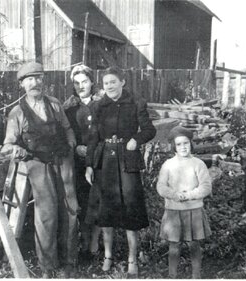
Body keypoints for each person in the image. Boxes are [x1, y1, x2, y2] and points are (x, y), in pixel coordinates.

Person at [2, 62, 79, 278]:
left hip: (63, 162)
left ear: (43, 81)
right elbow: (7, 144)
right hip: (37, 165)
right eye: (29, 79)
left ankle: (69, 262)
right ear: (22, 84)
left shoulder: (54, 104)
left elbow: (67, 128)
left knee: (71, 210)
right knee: (46, 215)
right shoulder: (17, 113)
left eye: (38, 78)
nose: (34, 83)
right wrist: (16, 149)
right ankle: (48, 267)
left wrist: (71, 143)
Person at [85, 66, 156, 277]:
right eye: (106, 83)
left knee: (130, 209)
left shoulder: (136, 103)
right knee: (105, 211)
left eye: (113, 82)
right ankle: (108, 256)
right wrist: (89, 164)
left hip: (128, 161)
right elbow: (93, 138)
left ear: (122, 82)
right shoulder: (98, 107)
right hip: (104, 161)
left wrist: (137, 139)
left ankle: (132, 258)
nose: (109, 86)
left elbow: (149, 130)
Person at [156, 126, 212, 279]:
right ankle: (172, 275)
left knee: (194, 244)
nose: (183, 147)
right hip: (174, 210)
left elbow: (206, 187)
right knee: (174, 245)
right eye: (179, 144)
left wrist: (190, 195)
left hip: (193, 210)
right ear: (174, 146)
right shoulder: (168, 164)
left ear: (191, 144)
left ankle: (196, 275)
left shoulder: (198, 164)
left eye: (186, 143)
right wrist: (174, 195)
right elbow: (161, 186)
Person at [63, 65, 101, 259]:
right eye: (76, 83)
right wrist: (75, 147)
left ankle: (95, 243)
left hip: (99, 159)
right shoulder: (68, 107)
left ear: (92, 81)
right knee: (83, 202)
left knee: (99, 201)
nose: (81, 86)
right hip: (77, 162)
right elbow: (63, 133)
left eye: (84, 81)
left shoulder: (102, 103)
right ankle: (84, 244)